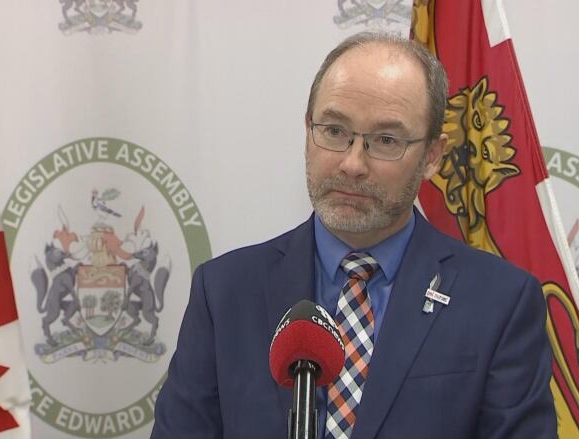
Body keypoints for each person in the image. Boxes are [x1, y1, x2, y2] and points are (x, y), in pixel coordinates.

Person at [152, 32, 555, 439]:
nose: (352, 163)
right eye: (334, 131)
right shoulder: (224, 292)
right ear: (308, 129)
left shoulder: (500, 302)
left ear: (433, 156)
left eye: (385, 140)